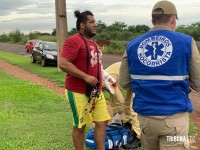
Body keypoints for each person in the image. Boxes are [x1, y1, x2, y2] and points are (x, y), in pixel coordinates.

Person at [119, 0, 200, 150]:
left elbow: (124, 82)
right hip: (174, 119)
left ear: (152, 21)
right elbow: (198, 83)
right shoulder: (187, 42)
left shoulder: (132, 45)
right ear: (173, 19)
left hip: (145, 120)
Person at [59, 10, 115, 150]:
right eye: (92, 22)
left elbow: (96, 66)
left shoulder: (94, 43)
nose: (95, 25)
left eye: (95, 22)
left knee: (103, 121)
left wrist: (107, 78)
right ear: (82, 25)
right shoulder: (73, 40)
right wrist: (85, 77)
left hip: (96, 92)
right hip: (78, 92)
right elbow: (63, 63)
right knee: (80, 126)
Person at [103, 62, 141, 149]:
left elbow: (119, 100)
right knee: (127, 103)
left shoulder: (105, 82)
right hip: (128, 73)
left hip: (133, 73)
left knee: (130, 106)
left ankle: (138, 137)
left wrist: (116, 119)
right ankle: (129, 125)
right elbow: (114, 98)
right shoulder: (102, 80)